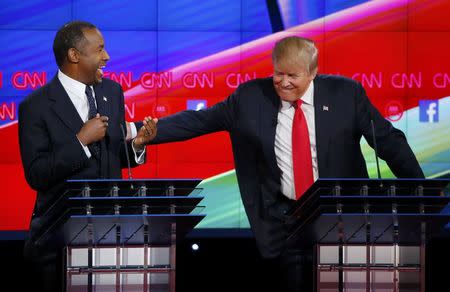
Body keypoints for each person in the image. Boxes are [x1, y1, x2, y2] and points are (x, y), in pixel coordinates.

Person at [148, 36, 424, 291]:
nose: (284, 82)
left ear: (313, 72)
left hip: (340, 219)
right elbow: (198, 121)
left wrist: (419, 192)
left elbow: (389, 142)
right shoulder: (250, 97)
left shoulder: (346, 94)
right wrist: (139, 134)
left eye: (293, 75)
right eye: (278, 73)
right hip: (285, 223)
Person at [18, 21, 156, 292]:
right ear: (74, 55)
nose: (107, 57)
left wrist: (136, 146)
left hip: (110, 237)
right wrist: (80, 140)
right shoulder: (36, 106)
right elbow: (37, 174)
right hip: (59, 242)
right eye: (100, 50)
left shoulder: (112, 92)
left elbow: (110, 153)